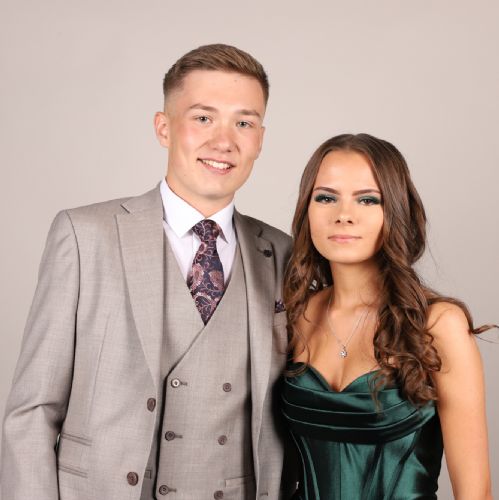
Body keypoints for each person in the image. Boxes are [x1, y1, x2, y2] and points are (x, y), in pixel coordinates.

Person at [1, 44, 296, 500]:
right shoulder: (84, 235)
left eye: (244, 123)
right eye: (203, 118)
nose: (224, 141)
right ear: (163, 128)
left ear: (260, 138)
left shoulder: (283, 252)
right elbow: (32, 412)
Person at [281, 133, 493, 499]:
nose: (343, 215)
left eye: (367, 199)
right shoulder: (294, 315)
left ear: (394, 211)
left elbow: (476, 493)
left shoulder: (437, 325)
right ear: (307, 210)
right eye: (326, 197)